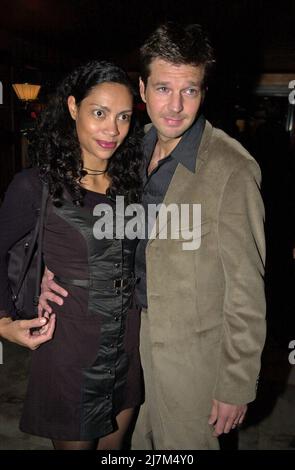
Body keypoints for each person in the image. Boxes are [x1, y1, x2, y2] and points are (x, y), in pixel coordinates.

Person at [40, 23, 266, 450]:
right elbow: (78, 223)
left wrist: (236, 384)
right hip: (124, 347)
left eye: (190, 90)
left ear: (204, 91)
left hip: (192, 364)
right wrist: (47, 273)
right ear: (142, 89)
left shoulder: (231, 169)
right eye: (163, 88)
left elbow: (247, 291)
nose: (176, 106)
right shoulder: (128, 147)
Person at [0, 60, 143, 450]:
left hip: (128, 341)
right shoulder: (36, 185)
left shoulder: (134, 184)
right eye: (99, 112)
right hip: (70, 345)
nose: (112, 129)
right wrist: (4, 321)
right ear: (72, 107)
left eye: (124, 117)